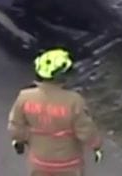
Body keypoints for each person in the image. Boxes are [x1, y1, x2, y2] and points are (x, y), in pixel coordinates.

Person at [7, 48, 103, 176]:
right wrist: (96, 146)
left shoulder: (24, 97)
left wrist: (18, 141)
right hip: (68, 163)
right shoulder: (74, 101)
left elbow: (16, 126)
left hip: (39, 161)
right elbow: (85, 130)